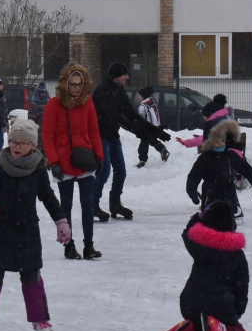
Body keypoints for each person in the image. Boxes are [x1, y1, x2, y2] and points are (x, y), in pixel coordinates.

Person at [0, 119, 71, 331]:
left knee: (32, 278)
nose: (16, 146)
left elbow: (48, 198)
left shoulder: (37, 171)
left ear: (33, 146)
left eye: (23, 143)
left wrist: (61, 221)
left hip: (27, 232)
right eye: (13, 142)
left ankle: (40, 320)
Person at [158, 201, 249, 331]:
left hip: (191, 304)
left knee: (200, 327)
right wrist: (236, 314)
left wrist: (198, 217)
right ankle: (222, 330)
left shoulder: (198, 245)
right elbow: (242, 286)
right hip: (222, 307)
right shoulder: (237, 254)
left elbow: (187, 232)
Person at [91, 62, 171, 220]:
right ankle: (93, 205)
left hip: (113, 136)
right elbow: (114, 116)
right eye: (124, 74)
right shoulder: (102, 91)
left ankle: (115, 204)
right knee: (104, 171)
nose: (127, 77)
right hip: (100, 136)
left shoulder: (119, 91)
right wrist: (137, 131)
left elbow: (131, 114)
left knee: (121, 170)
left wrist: (153, 130)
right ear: (116, 76)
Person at [43, 64, 104, 260]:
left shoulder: (88, 102)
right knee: (66, 205)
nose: (76, 88)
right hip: (64, 161)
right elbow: (47, 136)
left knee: (88, 204)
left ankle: (89, 245)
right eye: (73, 84)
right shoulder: (54, 105)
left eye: (80, 84)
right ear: (65, 84)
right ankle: (68, 245)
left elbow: (94, 131)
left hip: (84, 159)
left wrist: (99, 156)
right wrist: (53, 162)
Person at [186, 117, 252, 220]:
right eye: (216, 141)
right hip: (211, 199)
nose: (219, 143)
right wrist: (192, 190)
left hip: (229, 200)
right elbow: (194, 175)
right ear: (211, 141)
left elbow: (246, 169)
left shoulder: (230, 155)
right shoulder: (205, 158)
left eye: (222, 141)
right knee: (212, 230)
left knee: (229, 230)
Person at [135, 86, 169, 167]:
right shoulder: (152, 104)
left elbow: (141, 117)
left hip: (148, 128)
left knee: (143, 145)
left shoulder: (143, 106)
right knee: (152, 140)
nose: (139, 97)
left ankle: (142, 161)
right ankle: (163, 150)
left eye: (140, 95)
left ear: (143, 96)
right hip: (155, 127)